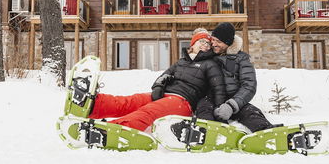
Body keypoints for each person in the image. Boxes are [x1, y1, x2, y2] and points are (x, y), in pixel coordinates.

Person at [87, 30, 226, 131]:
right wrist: (158, 86)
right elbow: (164, 75)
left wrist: (220, 111)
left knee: (148, 111)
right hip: (165, 95)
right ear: (193, 44)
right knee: (132, 101)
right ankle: (92, 104)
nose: (206, 45)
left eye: (208, 43)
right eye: (202, 41)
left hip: (183, 102)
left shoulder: (210, 64)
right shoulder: (182, 61)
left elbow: (218, 88)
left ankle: (111, 130)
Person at [196, 22, 275, 132]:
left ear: (228, 43)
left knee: (251, 113)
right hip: (210, 98)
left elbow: (249, 85)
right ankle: (208, 133)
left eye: (218, 41)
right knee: (204, 109)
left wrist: (232, 105)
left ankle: (269, 134)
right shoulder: (207, 56)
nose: (213, 44)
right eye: (213, 40)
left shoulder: (241, 59)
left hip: (233, 99)